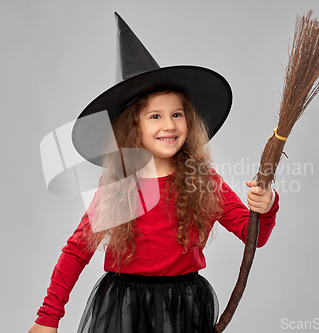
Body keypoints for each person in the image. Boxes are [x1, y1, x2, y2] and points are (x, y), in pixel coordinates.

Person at [29, 13, 279, 333]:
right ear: (134, 127)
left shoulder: (202, 181)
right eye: (155, 116)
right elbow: (78, 249)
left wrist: (266, 207)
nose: (169, 125)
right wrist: (48, 317)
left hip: (184, 307)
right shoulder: (118, 185)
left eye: (177, 114)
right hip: (125, 307)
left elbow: (252, 235)